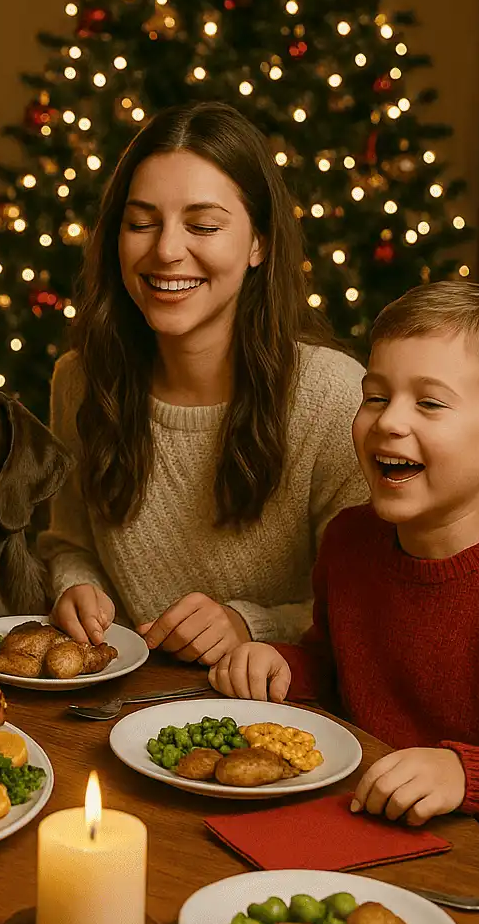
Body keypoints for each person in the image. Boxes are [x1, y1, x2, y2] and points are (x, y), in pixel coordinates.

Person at [210, 281, 479, 924]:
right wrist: (282, 666)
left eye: (429, 402)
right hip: (368, 840)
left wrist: (467, 775)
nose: (389, 421)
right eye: (375, 396)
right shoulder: (350, 541)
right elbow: (333, 665)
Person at [40, 101, 367, 665]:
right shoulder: (80, 380)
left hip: (277, 705)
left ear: (259, 242)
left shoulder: (334, 396)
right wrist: (76, 587)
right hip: (123, 692)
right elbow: (68, 543)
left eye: (204, 226)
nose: (166, 250)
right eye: (141, 223)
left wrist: (250, 625)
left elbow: (366, 601)